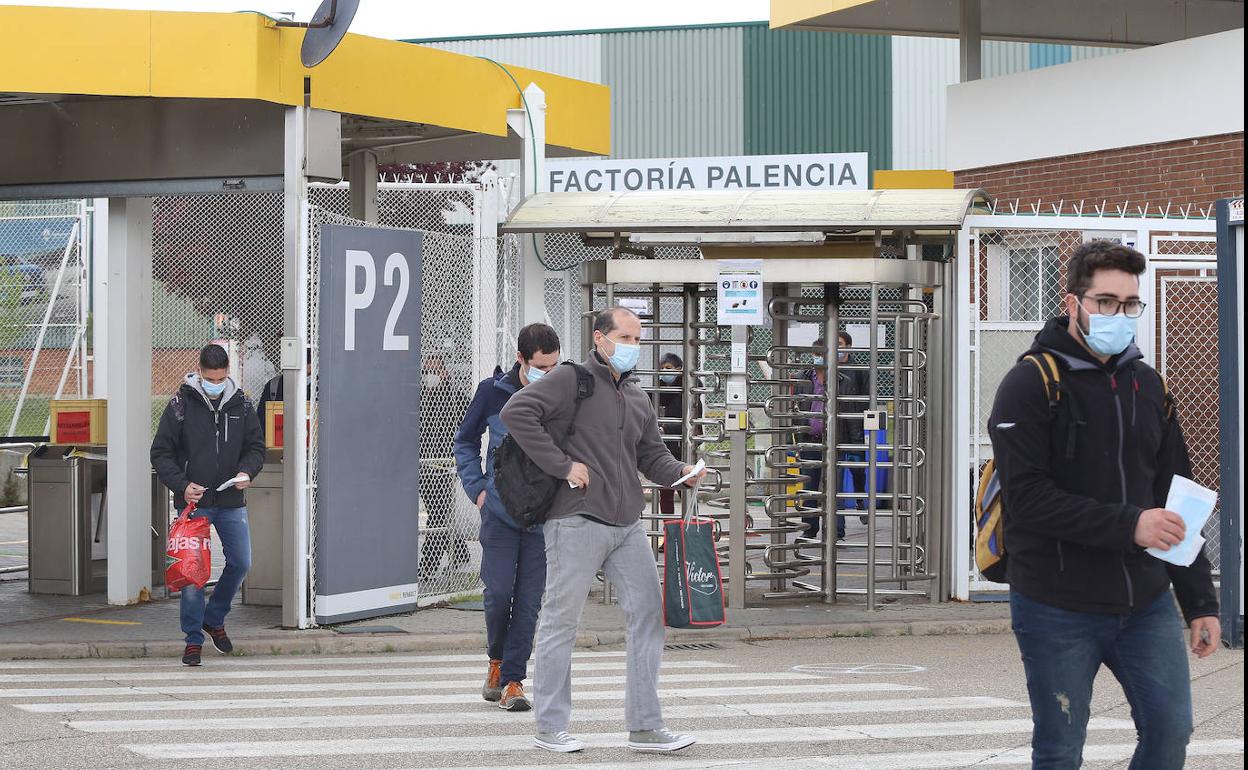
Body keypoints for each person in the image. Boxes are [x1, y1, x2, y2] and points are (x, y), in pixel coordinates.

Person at [988, 240, 1219, 769]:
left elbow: (1175, 495)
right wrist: (1130, 524)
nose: (1119, 315)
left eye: (1130, 304)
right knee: (1061, 748)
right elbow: (1028, 500)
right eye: (1106, 302)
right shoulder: (1030, 383)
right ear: (1073, 303)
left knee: (1171, 735)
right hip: (1056, 604)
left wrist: (1200, 601)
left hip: (1146, 602)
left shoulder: (1147, 385)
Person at [502, 306, 705, 755]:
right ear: (599, 338)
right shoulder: (569, 380)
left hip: (626, 524)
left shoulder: (636, 396)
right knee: (561, 621)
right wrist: (563, 465)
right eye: (626, 337)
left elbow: (652, 456)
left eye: (638, 339)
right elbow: (517, 413)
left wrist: (682, 472)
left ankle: (646, 727)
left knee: (649, 614)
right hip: (574, 519)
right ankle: (550, 727)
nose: (634, 346)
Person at [454, 323, 561, 713]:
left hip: (543, 517)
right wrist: (478, 490)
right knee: (499, 594)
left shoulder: (562, 393)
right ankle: (496, 661)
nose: (548, 374)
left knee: (530, 601)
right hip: (499, 514)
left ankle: (514, 680)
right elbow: (465, 441)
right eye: (541, 367)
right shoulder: (492, 391)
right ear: (521, 359)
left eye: (554, 366)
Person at [150, 344, 265, 667]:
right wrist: (183, 486)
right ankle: (192, 641)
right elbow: (160, 453)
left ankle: (213, 618)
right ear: (199, 371)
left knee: (241, 562)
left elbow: (255, 447)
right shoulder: (180, 405)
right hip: (195, 502)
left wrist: (247, 472)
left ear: (228, 372)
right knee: (192, 574)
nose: (216, 383)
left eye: (221, 377)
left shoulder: (242, 404)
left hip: (230, 499)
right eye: (210, 377)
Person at [797, 333, 867, 543]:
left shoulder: (842, 377)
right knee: (809, 487)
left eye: (822, 353)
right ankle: (809, 530)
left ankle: (836, 532)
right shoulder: (803, 377)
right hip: (810, 439)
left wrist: (854, 439)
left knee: (833, 487)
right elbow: (798, 406)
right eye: (816, 353)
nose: (818, 357)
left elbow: (855, 408)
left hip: (835, 440)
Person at [419, 355, 471, 580]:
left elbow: (468, 428)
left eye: (434, 371)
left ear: (445, 373)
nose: (429, 377)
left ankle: (428, 564)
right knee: (441, 513)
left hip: (444, 464)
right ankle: (460, 554)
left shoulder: (455, 398)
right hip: (422, 463)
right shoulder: (419, 398)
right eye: (426, 372)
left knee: (439, 513)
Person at [656, 352, 686, 518]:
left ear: (679, 369)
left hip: (683, 448)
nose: (664, 372)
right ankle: (670, 536)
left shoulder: (689, 388)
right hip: (665, 448)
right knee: (665, 493)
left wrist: (666, 427)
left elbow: (689, 419)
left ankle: (689, 535)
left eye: (668, 368)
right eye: (661, 368)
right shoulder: (659, 388)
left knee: (686, 491)